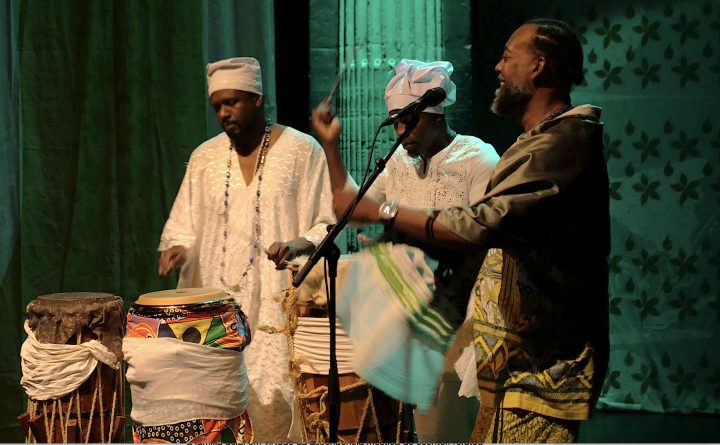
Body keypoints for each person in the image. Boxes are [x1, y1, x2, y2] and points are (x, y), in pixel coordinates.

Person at [332, 19, 610, 443]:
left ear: (538, 67)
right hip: (515, 363)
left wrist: (387, 214)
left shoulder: (563, 143)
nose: (498, 67)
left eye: (507, 56)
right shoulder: (538, 141)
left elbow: (484, 224)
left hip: (545, 366)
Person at [312, 59, 499, 442]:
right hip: (405, 316)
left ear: (435, 115)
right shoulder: (399, 161)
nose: (400, 132)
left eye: (408, 121)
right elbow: (349, 205)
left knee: (445, 430)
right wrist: (331, 146)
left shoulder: (480, 159)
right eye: (395, 122)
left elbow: (482, 238)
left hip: (457, 318)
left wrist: (402, 232)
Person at [157, 57, 335, 442]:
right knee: (216, 412)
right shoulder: (204, 158)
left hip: (276, 308)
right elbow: (183, 225)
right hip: (219, 312)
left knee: (274, 410)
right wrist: (177, 249)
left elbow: (327, 222)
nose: (224, 113)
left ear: (257, 98)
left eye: (233, 102)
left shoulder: (302, 151)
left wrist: (295, 244)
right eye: (217, 106)